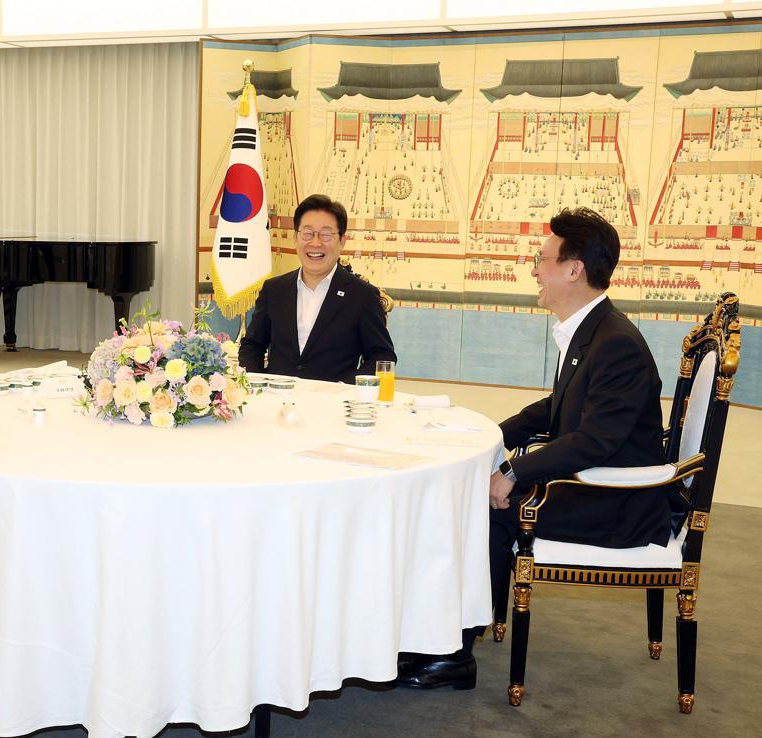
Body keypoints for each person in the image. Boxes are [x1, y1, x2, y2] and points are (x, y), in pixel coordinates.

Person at [399, 207, 674, 689]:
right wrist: (493, 435)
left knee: (485, 510)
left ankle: (454, 655)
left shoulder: (616, 344)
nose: (534, 270)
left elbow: (595, 440)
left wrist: (511, 472)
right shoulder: (593, 331)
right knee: (474, 500)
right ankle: (438, 635)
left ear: (574, 270)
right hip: (590, 487)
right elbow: (557, 408)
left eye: (542, 259)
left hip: (615, 504)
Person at [238, 194, 396, 383]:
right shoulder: (274, 289)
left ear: (342, 240)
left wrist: (345, 388)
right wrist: (257, 384)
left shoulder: (362, 295)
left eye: (326, 235)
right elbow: (252, 345)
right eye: (307, 233)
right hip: (276, 396)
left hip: (335, 398)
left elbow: (382, 356)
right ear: (295, 238)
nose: (315, 243)